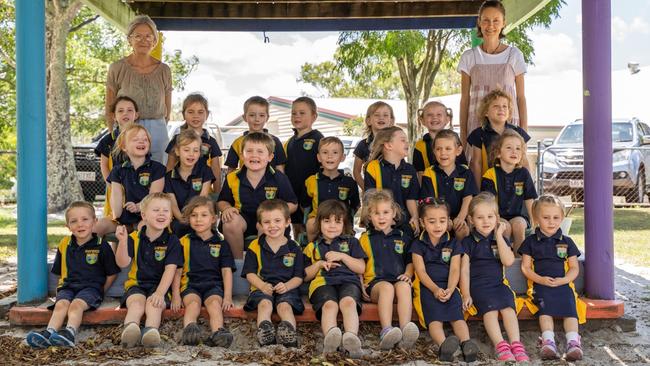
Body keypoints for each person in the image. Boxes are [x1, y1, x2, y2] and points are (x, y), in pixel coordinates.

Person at [26, 202, 120, 348]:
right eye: (73, 221)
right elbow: (58, 272)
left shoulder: (101, 245)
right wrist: (62, 290)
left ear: (95, 221)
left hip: (91, 289)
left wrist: (102, 290)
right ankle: (49, 333)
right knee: (61, 304)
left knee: (76, 305)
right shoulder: (65, 244)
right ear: (68, 226)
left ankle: (69, 333)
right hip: (68, 287)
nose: (79, 224)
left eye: (85, 219)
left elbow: (112, 273)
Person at [460, 192, 529, 362]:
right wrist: (466, 294)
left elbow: (508, 260)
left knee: (508, 309)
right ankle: (500, 345)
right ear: (471, 220)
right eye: (480, 217)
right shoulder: (468, 242)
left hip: (498, 284)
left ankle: (516, 343)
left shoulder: (500, 239)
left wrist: (499, 236)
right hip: (479, 286)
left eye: (490, 216)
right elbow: (464, 271)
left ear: (497, 218)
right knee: (490, 311)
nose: (486, 221)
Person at [410, 197, 478, 362]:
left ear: (448, 221)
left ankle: (466, 344)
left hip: (449, 286)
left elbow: (455, 269)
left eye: (442, 221)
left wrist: (451, 288)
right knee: (435, 320)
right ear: (422, 222)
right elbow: (420, 271)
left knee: (457, 318)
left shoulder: (453, 243)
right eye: (432, 221)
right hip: (428, 288)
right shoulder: (418, 245)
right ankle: (443, 347)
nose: (437, 226)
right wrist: (434, 290)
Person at [519, 195, 586, 361]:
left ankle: (573, 342)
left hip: (563, 284)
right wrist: (540, 280)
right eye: (546, 217)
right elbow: (525, 267)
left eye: (556, 218)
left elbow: (574, 267)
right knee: (545, 307)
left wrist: (564, 280)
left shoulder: (567, 242)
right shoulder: (530, 242)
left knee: (571, 306)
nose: (551, 222)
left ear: (562, 218)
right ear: (536, 218)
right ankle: (548, 341)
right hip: (540, 284)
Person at [115, 192, 183, 348]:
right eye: (156, 210)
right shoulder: (134, 237)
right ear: (144, 216)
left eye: (166, 210)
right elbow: (122, 262)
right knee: (137, 304)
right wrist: (123, 242)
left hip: (159, 286)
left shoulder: (172, 241)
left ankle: (150, 332)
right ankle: (130, 329)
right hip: (136, 285)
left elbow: (170, 270)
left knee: (155, 305)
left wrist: (160, 293)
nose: (161, 214)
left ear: (171, 216)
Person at [458, 0, 528, 146]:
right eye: (486, 20)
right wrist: (463, 135)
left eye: (496, 21)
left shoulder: (514, 55)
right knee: (478, 166)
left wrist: (523, 134)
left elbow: (520, 98)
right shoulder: (469, 57)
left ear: (504, 23)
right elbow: (465, 99)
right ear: (479, 22)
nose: (491, 25)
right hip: (477, 125)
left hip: (507, 126)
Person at [218, 132, 298, 259]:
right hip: (243, 218)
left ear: (270, 157)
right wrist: (226, 208)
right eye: (249, 151)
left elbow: (293, 204)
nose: (254, 155)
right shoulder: (232, 178)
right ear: (242, 156)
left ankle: (264, 264)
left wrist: (276, 213)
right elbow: (222, 201)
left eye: (260, 152)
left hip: (267, 219)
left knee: (268, 223)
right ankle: (237, 264)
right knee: (230, 221)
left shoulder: (278, 178)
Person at [303, 200, 367, 358]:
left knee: (348, 302)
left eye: (337, 221)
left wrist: (342, 256)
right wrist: (318, 264)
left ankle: (351, 339)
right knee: (329, 305)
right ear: (319, 223)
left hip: (348, 281)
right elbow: (304, 276)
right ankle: (330, 342)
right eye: (327, 221)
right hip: (322, 283)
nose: (332, 225)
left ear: (344, 223)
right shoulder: (312, 247)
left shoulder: (352, 242)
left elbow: (361, 267)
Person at [171, 196, 236, 347]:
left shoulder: (221, 243)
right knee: (193, 304)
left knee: (214, 304)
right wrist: (175, 295)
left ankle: (218, 333)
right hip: (190, 285)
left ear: (213, 219)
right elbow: (177, 271)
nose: (198, 219)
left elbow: (226, 271)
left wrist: (227, 296)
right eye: (194, 215)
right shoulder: (183, 241)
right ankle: (190, 332)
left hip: (213, 285)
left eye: (204, 215)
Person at [105, 15, 171, 164]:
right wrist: (114, 134)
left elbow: (167, 110)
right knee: (127, 176)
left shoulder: (164, 70)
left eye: (148, 36)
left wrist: (157, 126)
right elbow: (110, 108)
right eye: (138, 36)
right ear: (130, 40)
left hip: (158, 129)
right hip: (127, 128)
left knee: (158, 175)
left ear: (155, 41)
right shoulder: (117, 68)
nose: (144, 40)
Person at [359, 190, 419, 350]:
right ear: (369, 216)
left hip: (398, 281)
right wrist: (360, 284)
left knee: (404, 286)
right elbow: (359, 265)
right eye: (376, 213)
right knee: (386, 287)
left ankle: (406, 330)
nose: (381, 217)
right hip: (375, 285)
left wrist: (407, 274)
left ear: (393, 213)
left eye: (385, 212)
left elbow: (410, 260)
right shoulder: (365, 239)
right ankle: (386, 330)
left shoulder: (402, 237)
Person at [241, 200, 305, 347]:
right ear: (260, 225)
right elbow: (250, 273)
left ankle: (289, 336)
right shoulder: (255, 245)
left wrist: (287, 286)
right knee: (264, 304)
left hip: (287, 288)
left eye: (277, 220)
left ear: (287, 222)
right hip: (262, 287)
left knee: (285, 306)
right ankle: (265, 334)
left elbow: (298, 277)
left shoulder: (294, 247)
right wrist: (262, 285)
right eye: (267, 222)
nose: (272, 226)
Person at [94, 124, 166, 236]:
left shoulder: (157, 168)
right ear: (124, 146)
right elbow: (116, 196)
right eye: (135, 139)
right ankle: (100, 253)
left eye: (145, 139)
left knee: (144, 229)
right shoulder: (118, 170)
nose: (141, 142)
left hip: (146, 217)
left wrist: (139, 206)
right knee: (97, 228)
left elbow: (154, 197)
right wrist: (116, 215)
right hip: (123, 218)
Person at [481, 130, 537, 252]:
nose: (514, 151)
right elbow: (490, 203)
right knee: (505, 227)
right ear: (498, 153)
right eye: (509, 148)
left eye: (518, 148)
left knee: (519, 225)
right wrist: (495, 218)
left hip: (518, 215)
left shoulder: (523, 173)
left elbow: (529, 198)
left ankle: (518, 261)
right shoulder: (490, 174)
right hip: (497, 215)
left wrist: (534, 221)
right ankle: (504, 262)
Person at [420, 130, 477, 241]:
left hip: (459, 217)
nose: (443, 153)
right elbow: (429, 201)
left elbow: (468, 198)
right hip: (437, 218)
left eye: (448, 148)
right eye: (438, 149)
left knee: (463, 230)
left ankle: (461, 257)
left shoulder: (465, 172)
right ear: (434, 151)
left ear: (458, 150)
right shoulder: (429, 173)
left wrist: (460, 217)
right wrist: (443, 219)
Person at [364, 126, 420, 238]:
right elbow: (370, 198)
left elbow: (411, 198)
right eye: (403, 140)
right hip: (380, 222)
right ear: (389, 145)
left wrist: (415, 216)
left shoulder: (410, 169)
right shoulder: (374, 167)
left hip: (404, 223)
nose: (407, 143)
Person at [467, 89, 530, 186]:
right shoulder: (478, 134)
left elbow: (524, 161)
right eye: (496, 106)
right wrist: (477, 191)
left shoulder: (518, 132)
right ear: (486, 112)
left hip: (515, 184)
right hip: (490, 184)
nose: (501, 109)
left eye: (505, 106)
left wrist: (528, 186)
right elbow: (477, 163)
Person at [303, 137, 360, 242]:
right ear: (319, 157)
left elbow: (355, 205)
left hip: (341, 220)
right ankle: (312, 251)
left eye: (335, 152)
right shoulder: (311, 181)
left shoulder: (349, 182)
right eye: (325, 152)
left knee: (345, 226)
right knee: (310, 224)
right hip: (319, 220)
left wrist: (345, 219)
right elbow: (305, 206)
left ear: (342, 157)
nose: (330, 156)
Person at [283, 97, 324, 240]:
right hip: (293, 192)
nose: (297, 116)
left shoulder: (319, 139)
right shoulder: (289, 142)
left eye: (302, 113)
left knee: (312, 227)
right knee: (297, 227)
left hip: (311, 194)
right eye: (294, 113)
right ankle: (300, 254)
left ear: (314, 116)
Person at [165, 93, 222, 193]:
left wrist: (217, 194)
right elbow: (170, 166)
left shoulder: (210, 141)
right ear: (183, 114)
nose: (196, 116)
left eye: (200, 112)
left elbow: (216, 169)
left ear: (207, 115)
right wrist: (167, 191)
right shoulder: (177, 139)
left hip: (203, 189)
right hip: (179, 190)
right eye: (191, 112)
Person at [95, 96, 139, 221]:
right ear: (114, 116)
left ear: (136, 115)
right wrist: (110, 183)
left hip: (136, 186)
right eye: (120, 111)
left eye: (130, 110)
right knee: (115, 220)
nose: (125, 113)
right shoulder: (108, 140)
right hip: (115, 185)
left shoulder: (141, 136)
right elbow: (103, 164)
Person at [164, 129, 215, 237]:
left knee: (203, 227)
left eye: (195, 150)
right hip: (180, 218)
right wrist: (182, 218)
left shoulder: (205, 171)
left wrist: (194, 217)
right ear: (177, 151)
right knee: (178, 227)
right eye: (186, 150)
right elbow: (172, 203)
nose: (191, 154)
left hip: (200, 216)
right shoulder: (169, 177)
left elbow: (203, 198)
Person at [225, 96, 287, 172]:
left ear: (267, 118)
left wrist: (281, 183)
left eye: (261, 115)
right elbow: (231, 170)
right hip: (245, 183)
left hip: (271, 184)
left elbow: (280, 168)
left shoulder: (274, 141)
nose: (257, 119)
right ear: (244, 117)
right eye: (252, 115)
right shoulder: (237, 143)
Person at [412, 101, 467, 182]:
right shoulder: (420, 145)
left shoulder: (455, 141)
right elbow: (420, 173)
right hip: (430, 188)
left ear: (447, 119)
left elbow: (463, 167)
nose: (434, 117)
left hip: (455, 187)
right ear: (422, 120)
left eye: (439, 114)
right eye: (429, 115)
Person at [353, 101, 395, 190]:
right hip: (372, 194)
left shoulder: (395, 143)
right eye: (376, 115)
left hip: (393, 191)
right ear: (368, 121)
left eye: (385, 115)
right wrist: (366, 189)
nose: (381, 118)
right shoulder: (363, 145)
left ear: (391, 121)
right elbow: (356, 171)